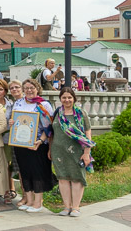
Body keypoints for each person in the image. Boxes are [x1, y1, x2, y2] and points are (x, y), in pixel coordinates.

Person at [49, 86, 94, 217]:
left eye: (69, 97)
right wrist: (50, 149)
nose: (67, 100)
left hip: (77, 151)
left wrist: (87, 153)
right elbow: (52, 133)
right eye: (64, 97)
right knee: (62, 178)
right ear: (60, 99)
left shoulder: (80, 113)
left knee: (76, 178)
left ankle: (75, 207)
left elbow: (88, 133)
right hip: (59, 151)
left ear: (74, 98)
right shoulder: (58, 113)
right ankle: (66, 206)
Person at [12, 79, 55, 214]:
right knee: (25, 172)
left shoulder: (43, 104)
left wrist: (41, 141)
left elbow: (49, 127)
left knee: (37, 173)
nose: (29, 90)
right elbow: (15, 120)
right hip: (20, 143)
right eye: (26, 88)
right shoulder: (18, 103)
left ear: (37, 88)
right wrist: (11, 122)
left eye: (32, 88)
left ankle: (38, 202)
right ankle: (29, 200)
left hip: (37, 144)